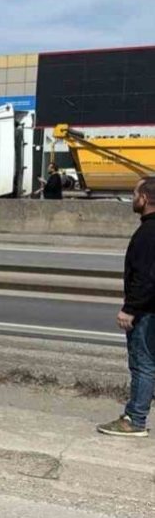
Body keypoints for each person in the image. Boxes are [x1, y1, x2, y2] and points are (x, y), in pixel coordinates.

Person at [97, 177, 155, 438]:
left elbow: (145, 277)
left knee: (143, 364)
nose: (133, 198)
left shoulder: (147, 233)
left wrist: (130, 308)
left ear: (144, 198)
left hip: (147, 311)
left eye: (135, 193)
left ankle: (135, 418)